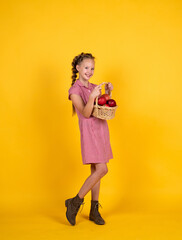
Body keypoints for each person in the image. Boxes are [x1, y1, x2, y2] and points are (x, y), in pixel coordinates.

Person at [65, 52, 113, 226]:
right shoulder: (74, 90)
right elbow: (85, 114)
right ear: (78, 68)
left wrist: (106, 93)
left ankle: (94, 210)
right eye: (86, 67)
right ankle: (75, 201)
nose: (90, 71)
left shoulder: (93, 86)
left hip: (100, 130)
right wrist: (93, 97)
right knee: (102, 169)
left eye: (92, 68)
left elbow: (102, 106)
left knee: (95, 171)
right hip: (90, 133)